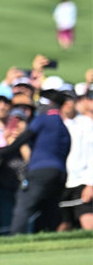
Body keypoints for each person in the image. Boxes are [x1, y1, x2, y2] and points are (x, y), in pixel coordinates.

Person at [0, 78, 71, 233]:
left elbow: (24, 137)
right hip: (60, 174)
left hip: (40, 171)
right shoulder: (64, 128)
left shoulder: (43, 119)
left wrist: (1, 152)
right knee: (50, 210)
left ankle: (15, 241)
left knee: (23, 206)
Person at [58, 86, 93, 231]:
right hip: (62, 183)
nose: (67, 104)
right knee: (63, 225)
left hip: (82, 182)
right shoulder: (57, 124)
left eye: (70, 100)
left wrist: (90, 183)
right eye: (64, 101)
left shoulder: (86, 123)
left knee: (88, 223)